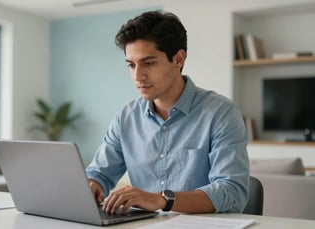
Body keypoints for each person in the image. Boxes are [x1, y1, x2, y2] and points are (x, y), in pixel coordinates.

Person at [85, 10, 249, 214]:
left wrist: (162, 200)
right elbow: (99, 173)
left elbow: (232, 193)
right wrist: (92, 185)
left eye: (149, 63)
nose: (138, 76)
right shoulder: (126, 117)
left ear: (178, 59)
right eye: (131, 65)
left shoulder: (221, 113)